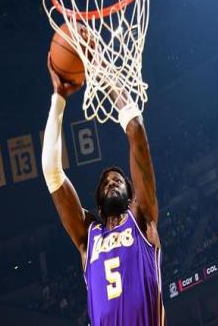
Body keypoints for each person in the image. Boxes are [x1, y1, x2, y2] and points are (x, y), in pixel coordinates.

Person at [42, 54, 165, 325]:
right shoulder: (88, 237)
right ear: (98, 206)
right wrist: (58, 99)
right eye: (106, 183)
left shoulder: (142, 218)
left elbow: (136, 129)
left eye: (118, 180)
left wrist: (100, 69)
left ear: (132, 197)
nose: (111, 182)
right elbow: (51, 172)